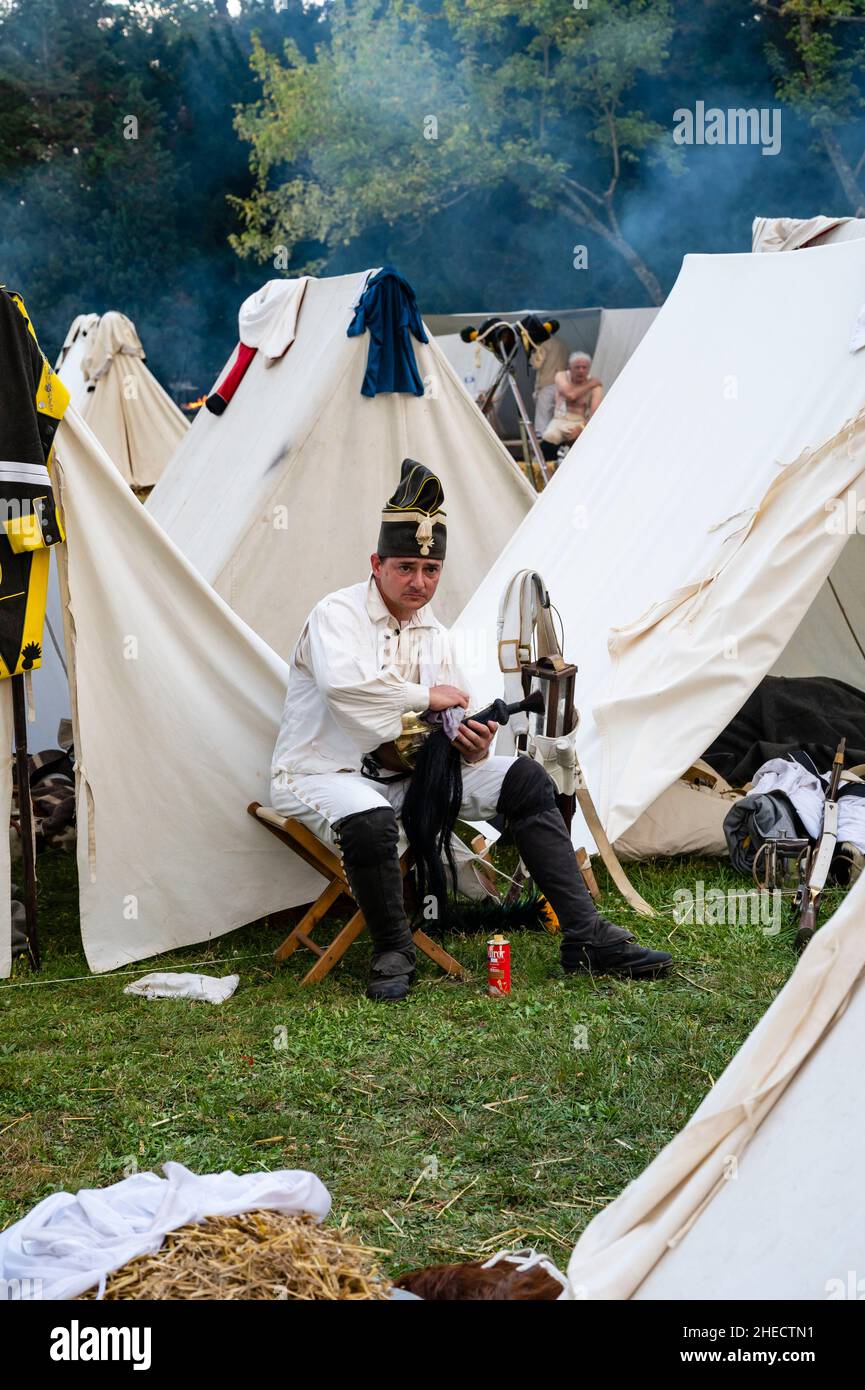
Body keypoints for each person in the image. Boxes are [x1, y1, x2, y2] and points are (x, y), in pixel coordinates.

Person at [270, 458, 671, 1001]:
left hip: (401, 776)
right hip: (323, 771)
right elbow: (349, 695)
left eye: (430, 570)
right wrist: (424, 696)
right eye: (406, 567)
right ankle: (393, 947)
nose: (419, 582)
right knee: (368, 819)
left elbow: (446, 727)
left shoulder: (432, 632)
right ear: (376, 563)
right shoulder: (335, 616)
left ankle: (585, 935)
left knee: (526, 777)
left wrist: (473, 747)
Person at [540, 351, 604, 461]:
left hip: (580, 421)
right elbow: (571, 395)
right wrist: (590, 384)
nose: (581, 371)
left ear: (589, 368)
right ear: (570, 368)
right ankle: (549, 473)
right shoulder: (561, 376)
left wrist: (581, 428)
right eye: (577, 367)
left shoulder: (595, 388)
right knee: (549, 439)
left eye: (584, 367)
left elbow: (595, 414)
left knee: (587, 446)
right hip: (560, 419)